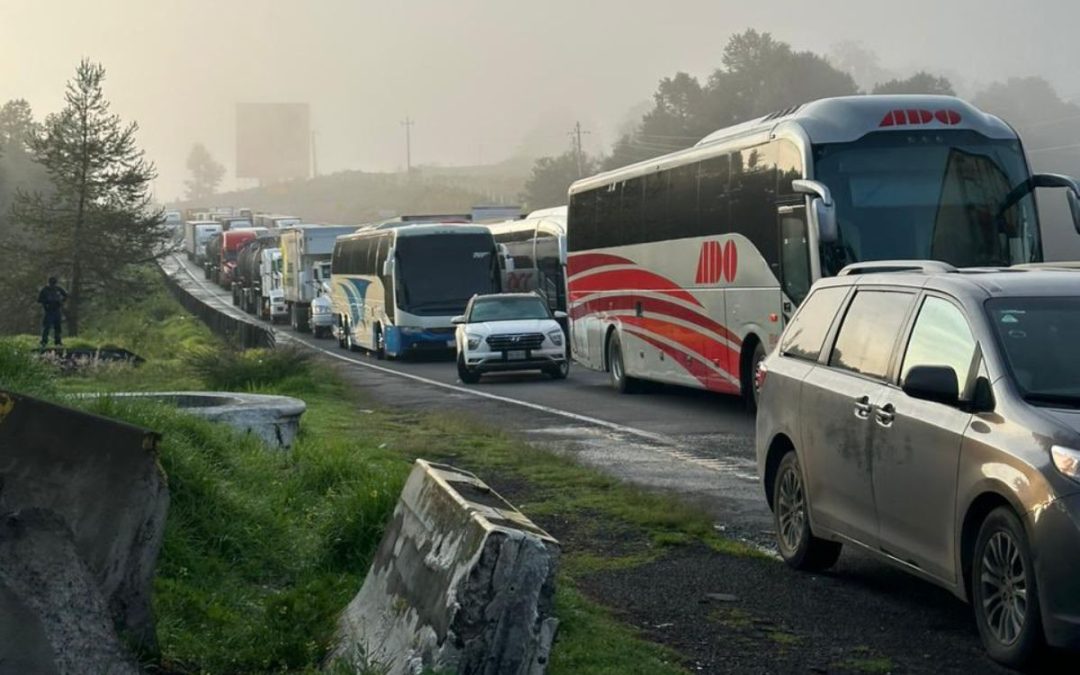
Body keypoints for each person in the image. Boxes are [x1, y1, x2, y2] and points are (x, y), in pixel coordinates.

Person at [37, 276, 68, 348]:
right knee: (47, 326)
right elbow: (39, 300)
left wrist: (61, 302)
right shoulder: (45, 290)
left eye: (54, 283)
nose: (53, 284)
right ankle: (44, 341)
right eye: (52, 283)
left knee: (57, 326)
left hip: (57, 309)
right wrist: (46, 303)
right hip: (49, 310)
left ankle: (58, 341)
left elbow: (66, 295)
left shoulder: (58, 289)